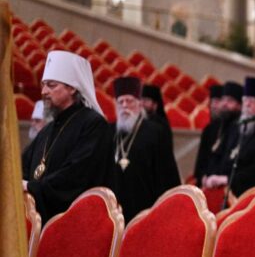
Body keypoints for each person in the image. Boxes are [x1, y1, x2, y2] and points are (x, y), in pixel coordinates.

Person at [21, 51, 114, 224]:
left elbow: (77, 175)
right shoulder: (48, 129)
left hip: (74, 226)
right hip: (35, 221)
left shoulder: (94, 125)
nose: (43, 91)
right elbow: (23, 165)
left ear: (72, 88)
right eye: (43, 85)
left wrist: (32, 187)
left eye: (51, 85)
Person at [108, 76, 180, 221]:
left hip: (146, 207)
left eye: (129, 101)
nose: (125, 106)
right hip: (114, 209)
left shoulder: (156, 132)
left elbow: (166, 176)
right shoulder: (109, 132)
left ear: (139, 104)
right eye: (120, 102)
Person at [204, 77, 255, 198]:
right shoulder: (236, 125)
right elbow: (220, 153)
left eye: (251, 100)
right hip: (221, 188)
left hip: (249, 195)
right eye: (245, 99)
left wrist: (228, 179)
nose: (247, 104)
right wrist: (211, 175)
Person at [194, 81, 242, 185]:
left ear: (240, 105)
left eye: (229, 100)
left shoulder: (240, 130)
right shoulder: (216, 127)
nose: (224, 104)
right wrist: (203, 176)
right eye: (223, 99)